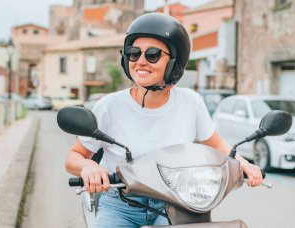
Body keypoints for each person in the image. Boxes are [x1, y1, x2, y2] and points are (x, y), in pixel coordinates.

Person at [65, 13, 263, 227]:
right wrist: (88, 167)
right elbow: (74, 156)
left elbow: (215, 144)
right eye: (133, 53)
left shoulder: (191, 102)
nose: (140, 61)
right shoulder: (109, 106)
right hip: (120, 205)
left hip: (176, 203)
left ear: (174, 63)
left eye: (153, 55)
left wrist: (243, 163)